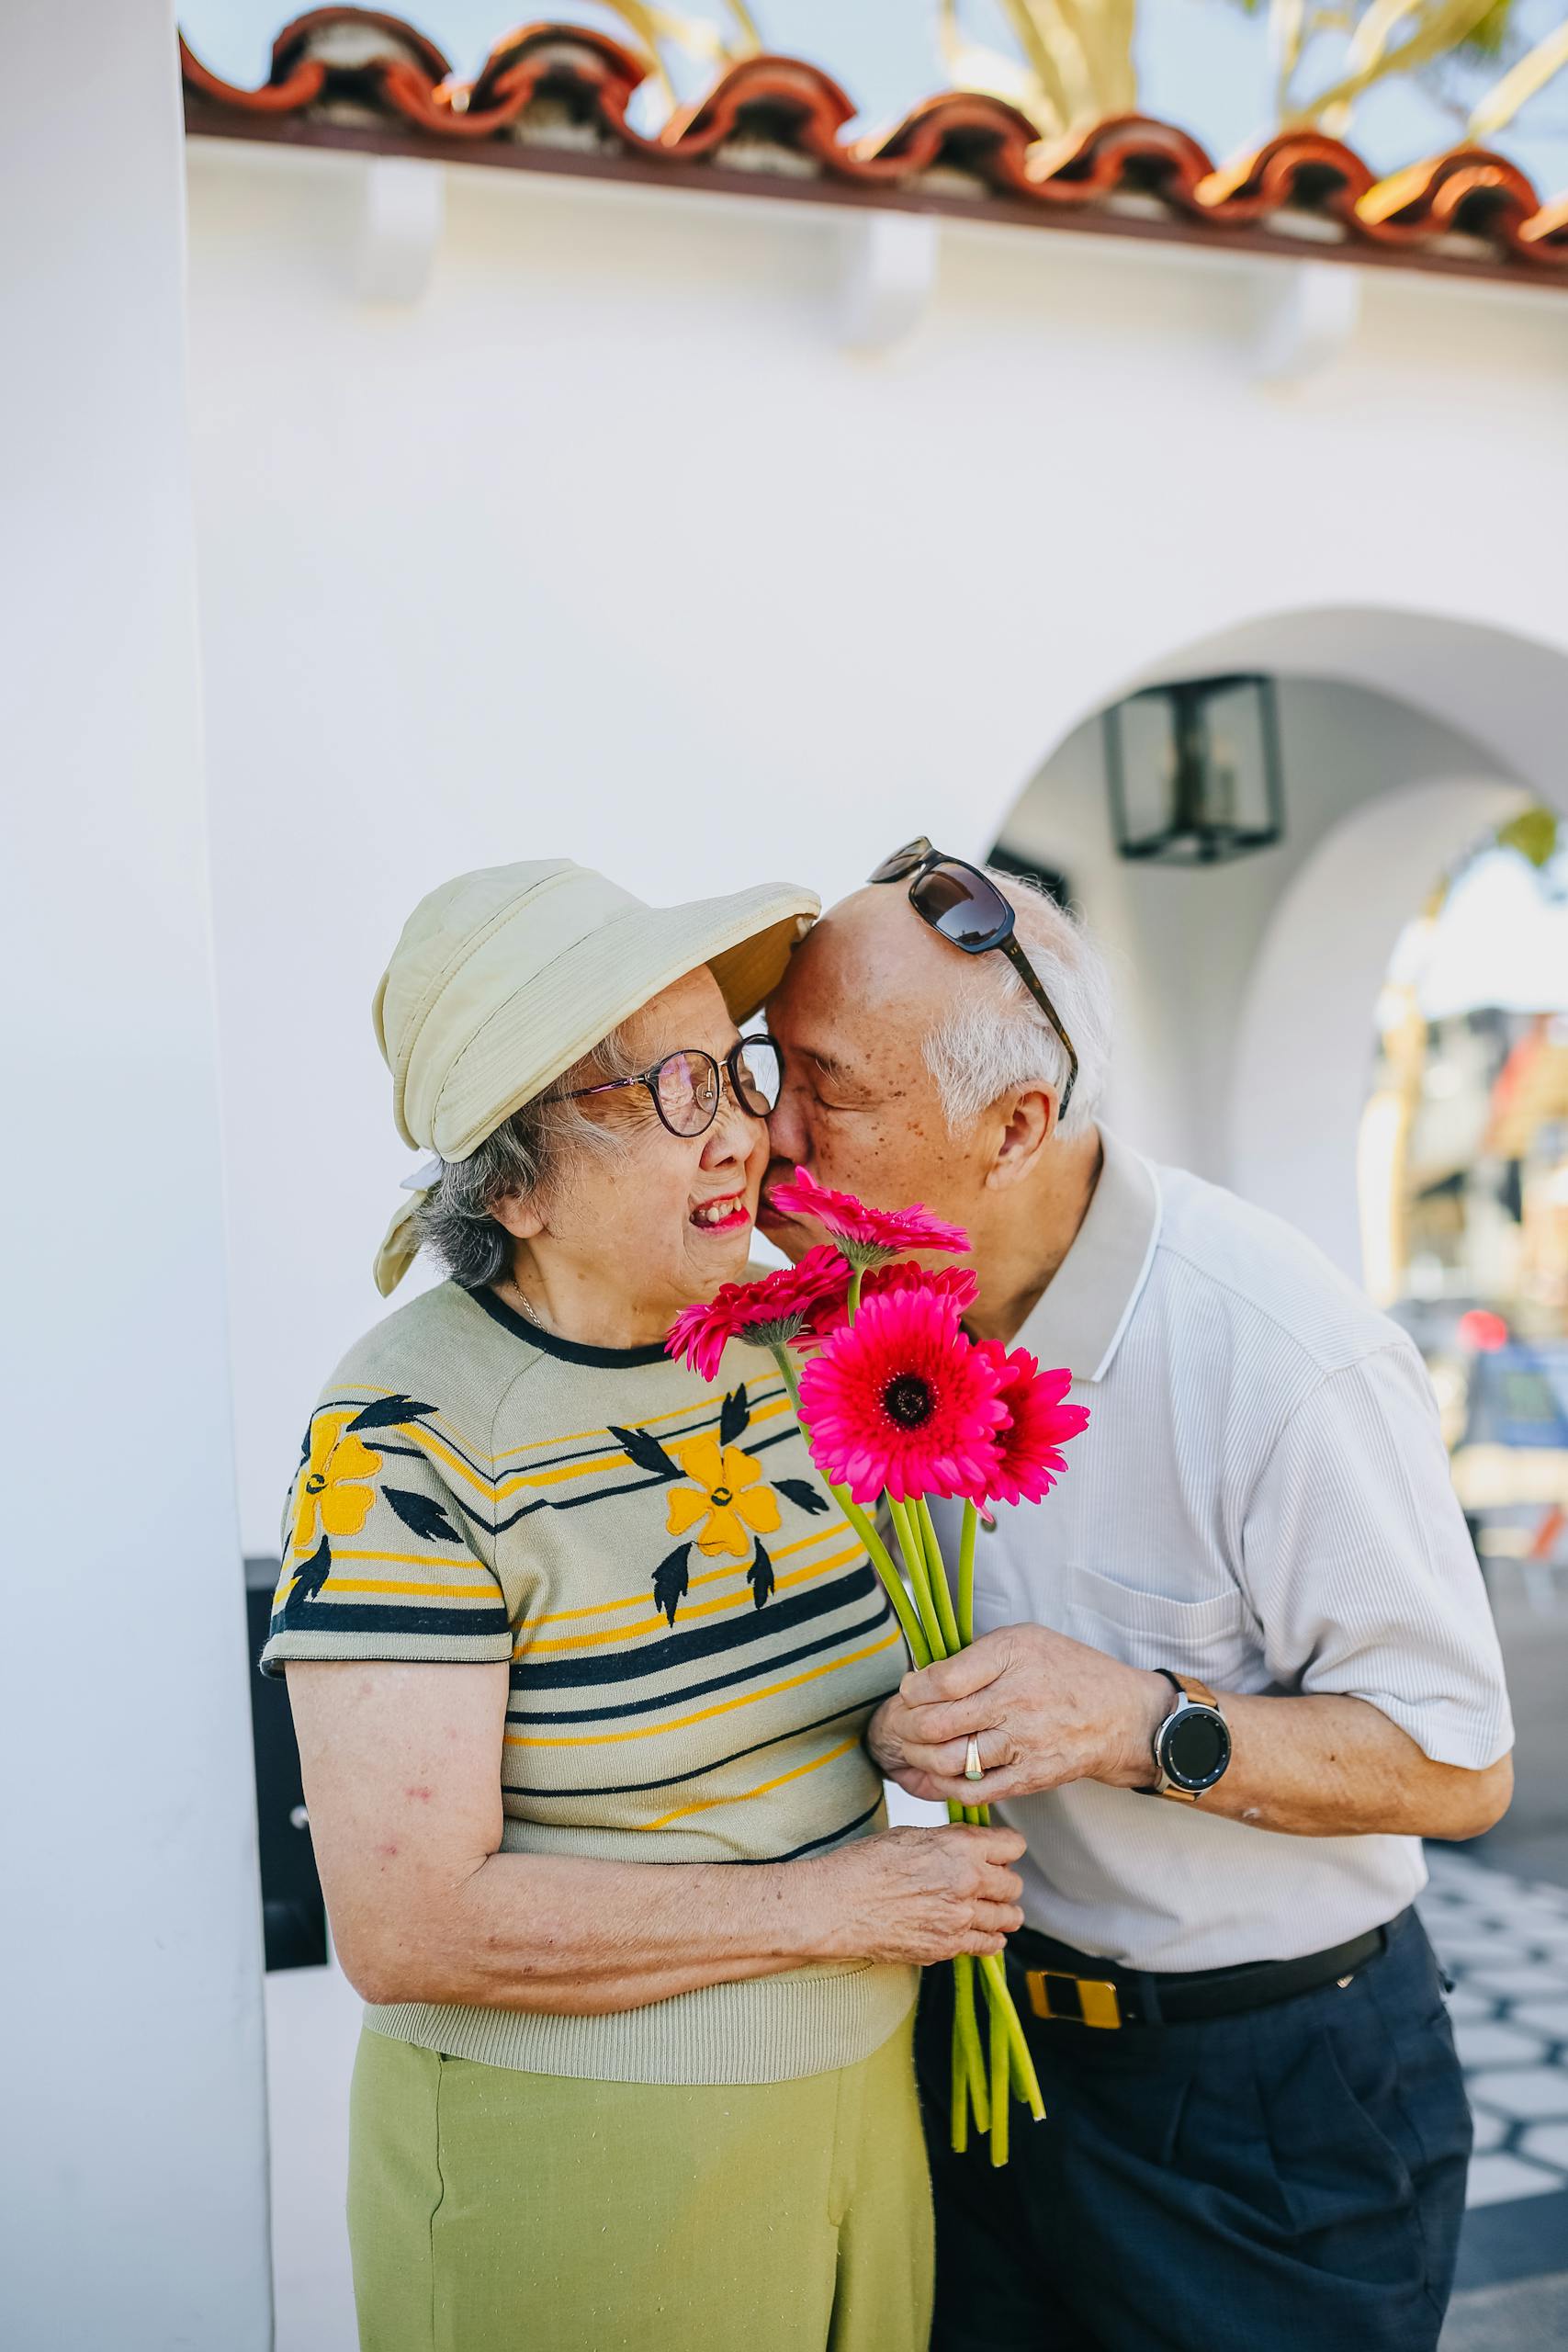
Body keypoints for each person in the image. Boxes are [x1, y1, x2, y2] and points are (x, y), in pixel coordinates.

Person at [761, 838, 1515, 2352]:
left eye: (826, 1090)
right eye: (768, 1069)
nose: (771, 1133)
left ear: (1016, 1123)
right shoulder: (845, 1312)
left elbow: (1462, 1763)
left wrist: (1139, 1724)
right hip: (985, 2070)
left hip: (1269, 2114)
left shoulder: (1276, 1352)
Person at [265, 857, 1027, 2352]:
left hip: (869, 2111)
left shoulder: (795, 1348)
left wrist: (932, 1723)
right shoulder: (406, 1434)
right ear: (519, 1179)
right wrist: (824, 1907)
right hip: (575, 2160)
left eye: (734, 1074)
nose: (741, 1128)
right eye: (669, 1092)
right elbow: (408, 1924)